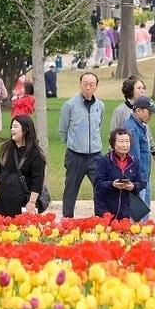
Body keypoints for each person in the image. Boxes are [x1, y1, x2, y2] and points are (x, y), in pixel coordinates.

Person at [59, 72, 104, 217]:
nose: (88, 87)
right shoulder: (70, 105)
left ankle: (101, 218)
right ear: (80, 84)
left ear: (96, 86)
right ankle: (67, 220)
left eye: (92, 84)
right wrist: (74, 144)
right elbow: (63, 130)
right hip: (75, 155)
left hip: (96, 156)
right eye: (85, 84)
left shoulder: (100, 105)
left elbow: (99, 126)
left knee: (101, 188)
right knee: (70, 190)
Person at [0, 115, 46, 216]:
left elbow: (38, 180)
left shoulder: (35, 154)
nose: (12, 129)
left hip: (22, 202)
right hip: (2, 201)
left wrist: (32, 202)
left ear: (25, 130)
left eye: (15, 127)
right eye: (11, 127)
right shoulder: (6, 149)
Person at [93, 128, 145, 219]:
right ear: (113, 143)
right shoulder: (104, 161)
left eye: (127, 141)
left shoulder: (134, 161)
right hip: (106, 211)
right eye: (121, 141)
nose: (125, 145)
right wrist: (112, 184)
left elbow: (141, 182)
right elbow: (98, 185)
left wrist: (133, 186)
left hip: (126, 212)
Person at [126, 96, 155, 213]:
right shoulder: (132, 129)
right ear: (138, 110)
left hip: (142, 178)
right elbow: (134, 158)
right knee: (137, 218)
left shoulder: (140, 126)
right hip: (138, 180)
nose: (151, 115)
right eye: (149, 112)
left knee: (141, 216)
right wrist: (138, 183)